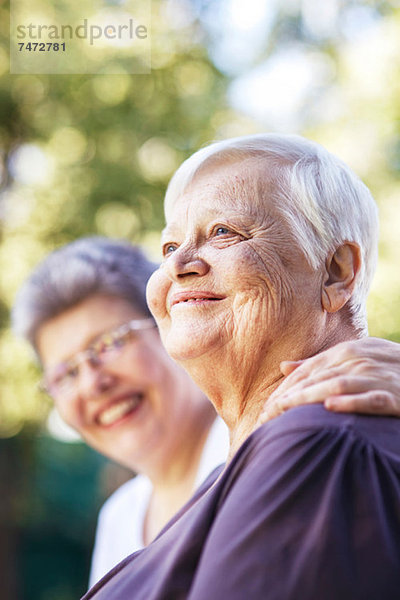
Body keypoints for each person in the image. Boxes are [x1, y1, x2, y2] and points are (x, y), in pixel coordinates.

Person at [81, 133, 400, 600]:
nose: (179, 265)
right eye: (169, 248)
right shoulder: (241, 466)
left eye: (222, 232)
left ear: (336, 273)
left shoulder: (321, 443)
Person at [11, 238, 230, 585]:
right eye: (66, 374)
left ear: (170, 322)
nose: (92, 384)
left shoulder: (257, 441)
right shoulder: (119, 519)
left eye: (109, 344)